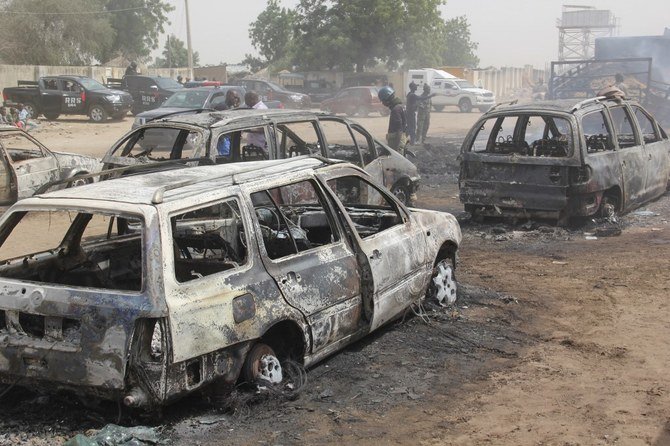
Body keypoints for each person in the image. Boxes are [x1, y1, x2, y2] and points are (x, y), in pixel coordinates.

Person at [377, 86, 407, 153]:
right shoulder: (400, 106)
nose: (383, 103)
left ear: (387, 99)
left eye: (383, 101)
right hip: (401, 140)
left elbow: (399, 130)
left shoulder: (395, 110)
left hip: (397, 143)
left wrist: (395, 151)